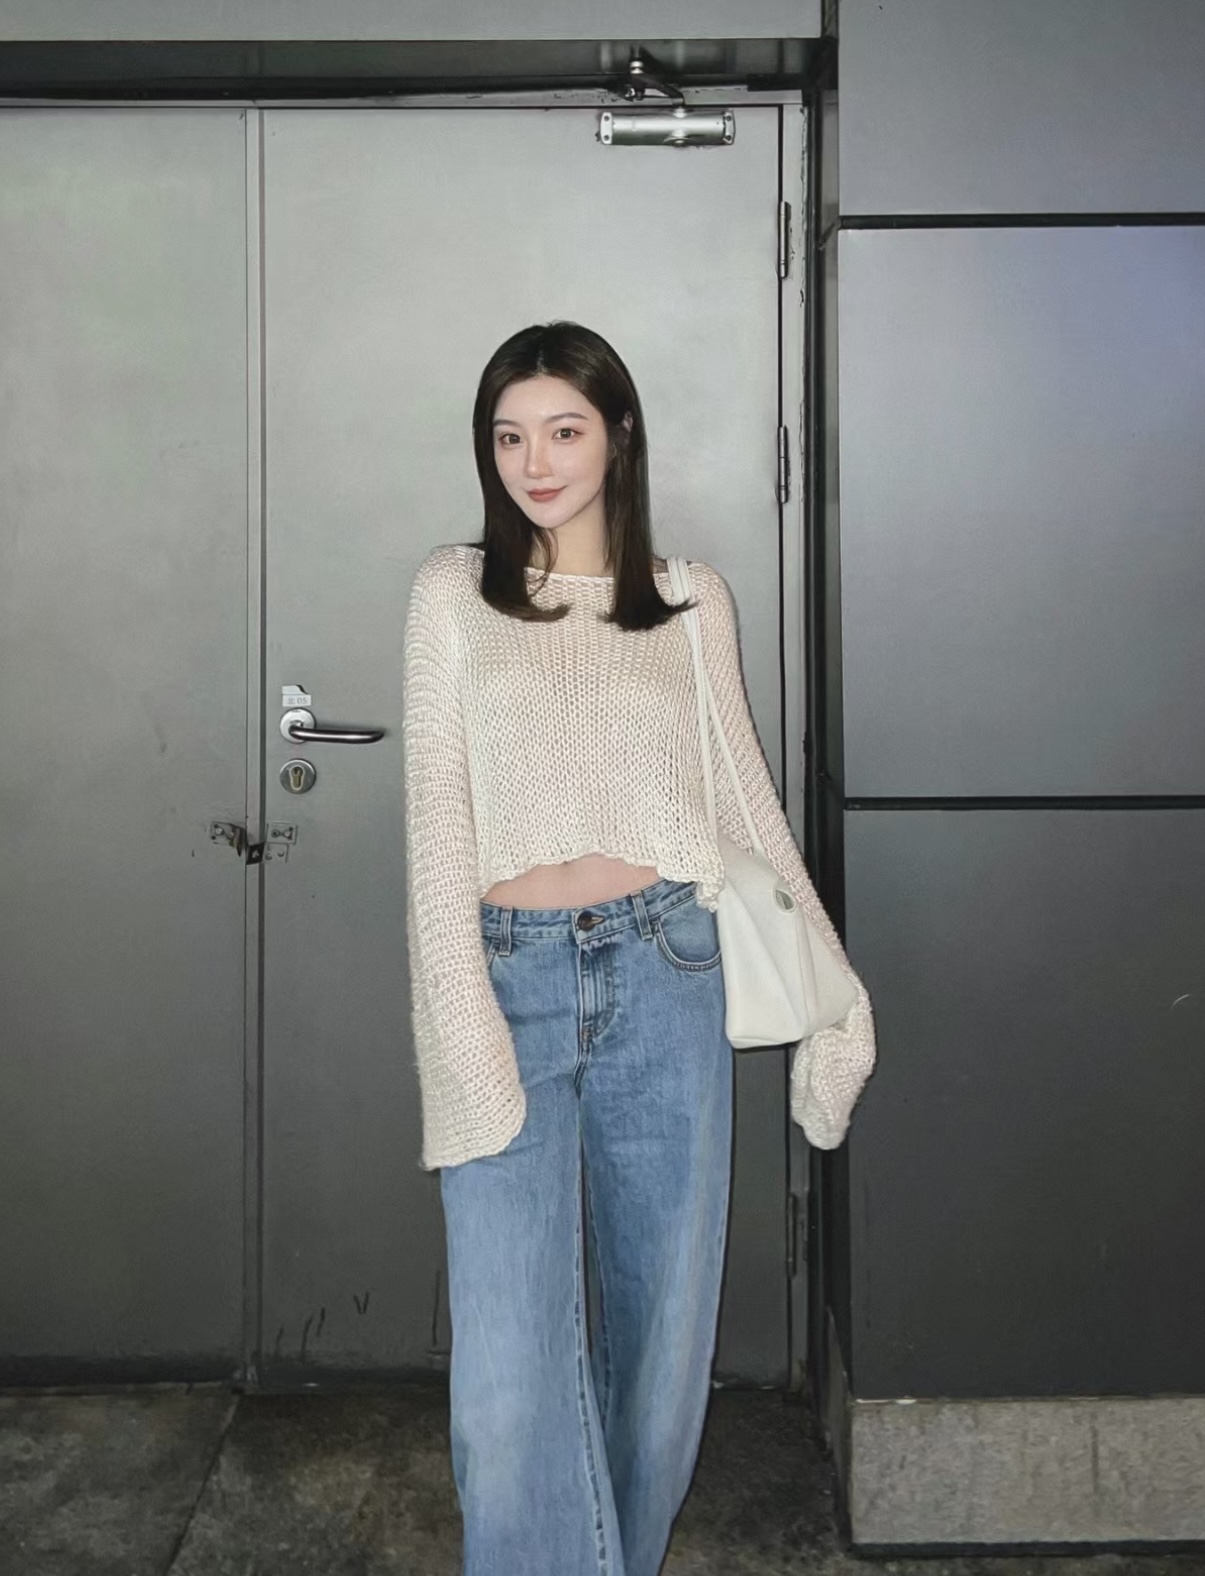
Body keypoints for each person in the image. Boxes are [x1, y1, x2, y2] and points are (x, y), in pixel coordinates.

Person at [401, 321, 875, 1576]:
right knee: (505, 1380)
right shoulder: (452, 593)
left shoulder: (689, 600)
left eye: (563, 430)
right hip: (507, 975)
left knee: (661, 1351)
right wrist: (461, 1022)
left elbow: (744, 806)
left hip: (667, 967)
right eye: (508, 435)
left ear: (617, 435)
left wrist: (837, 1003)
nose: (534, 462)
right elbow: (435, 827)